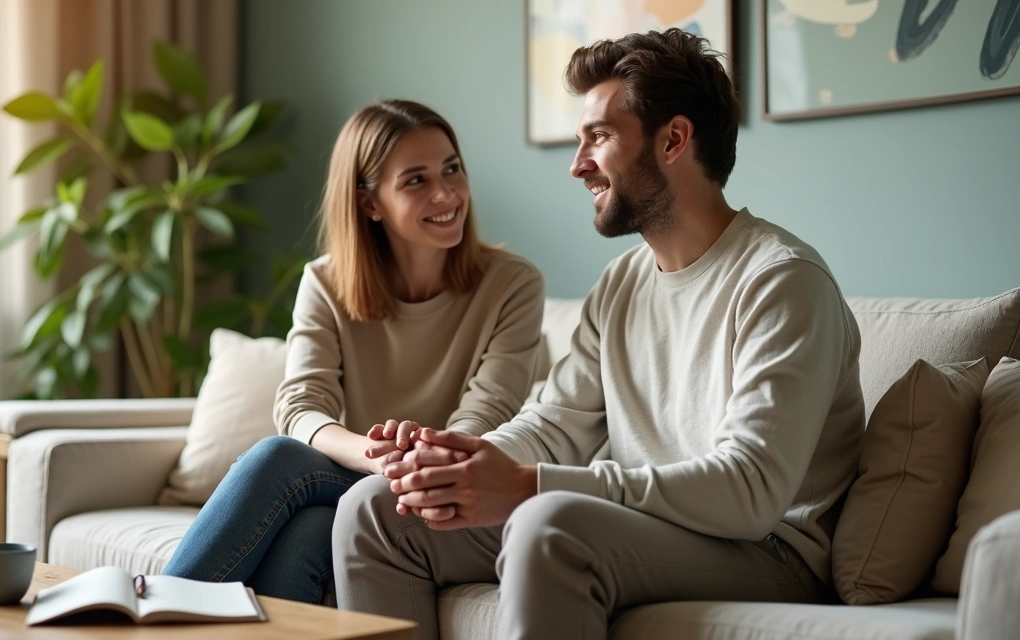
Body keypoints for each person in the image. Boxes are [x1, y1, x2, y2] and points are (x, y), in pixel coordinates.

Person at [332, 29, 865, 639]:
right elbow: (555, 422)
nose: (578, 162)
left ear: (674, 140)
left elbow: (750, 490)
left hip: (769, 551)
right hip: (651, 527)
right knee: (374, 510)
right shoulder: (621, 284)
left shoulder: (782, 280)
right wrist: (451, 458)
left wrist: (529, 485)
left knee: (549, 524)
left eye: (600, 137)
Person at [161, 99, 546, 606]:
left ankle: (152, 613)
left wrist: (414, 459)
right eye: (416, 180)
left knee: (285, 469)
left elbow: (487, 412)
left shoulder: (514, 284)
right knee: (311, 527)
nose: (447, 192)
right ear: (370, 203)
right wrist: (377, 457)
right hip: (365, 484)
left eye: (451, 169)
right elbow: (300, 406)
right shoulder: (325, 282)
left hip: (450, 492)